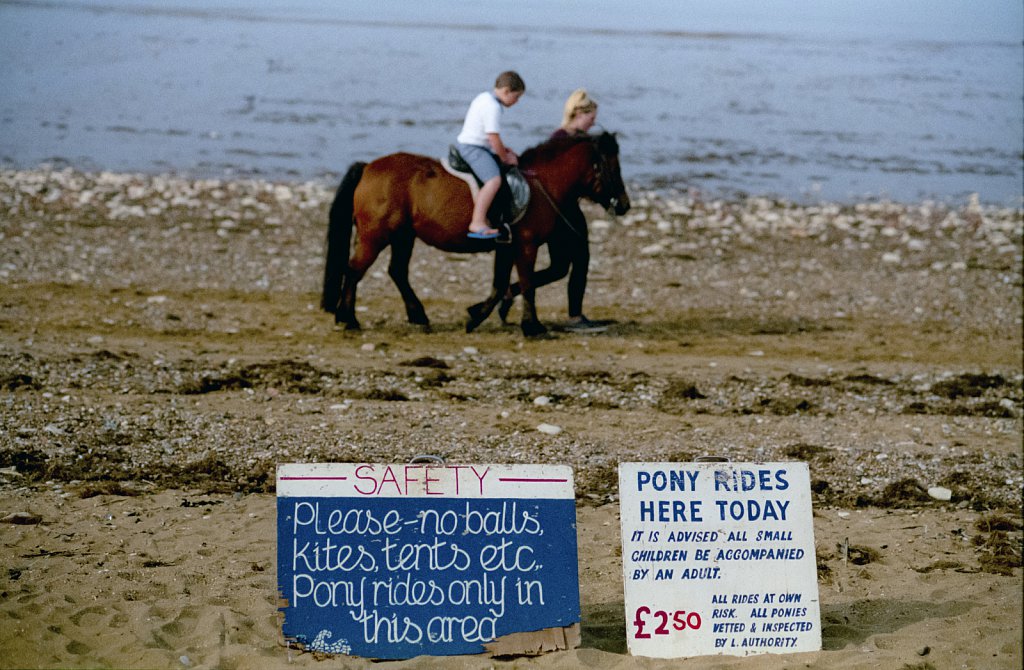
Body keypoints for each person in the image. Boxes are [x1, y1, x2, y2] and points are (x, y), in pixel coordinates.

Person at [456, 71, 526, 239]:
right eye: (516, 97)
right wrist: (505, 158)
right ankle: (477, 221)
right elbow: (493, 136)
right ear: (507, 91)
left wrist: (504, 149)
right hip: (473, 148)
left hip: (476, 144)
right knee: (493, 180)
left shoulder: (484, 98)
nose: (517, 102)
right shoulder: (493, 107)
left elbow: (488, 136)